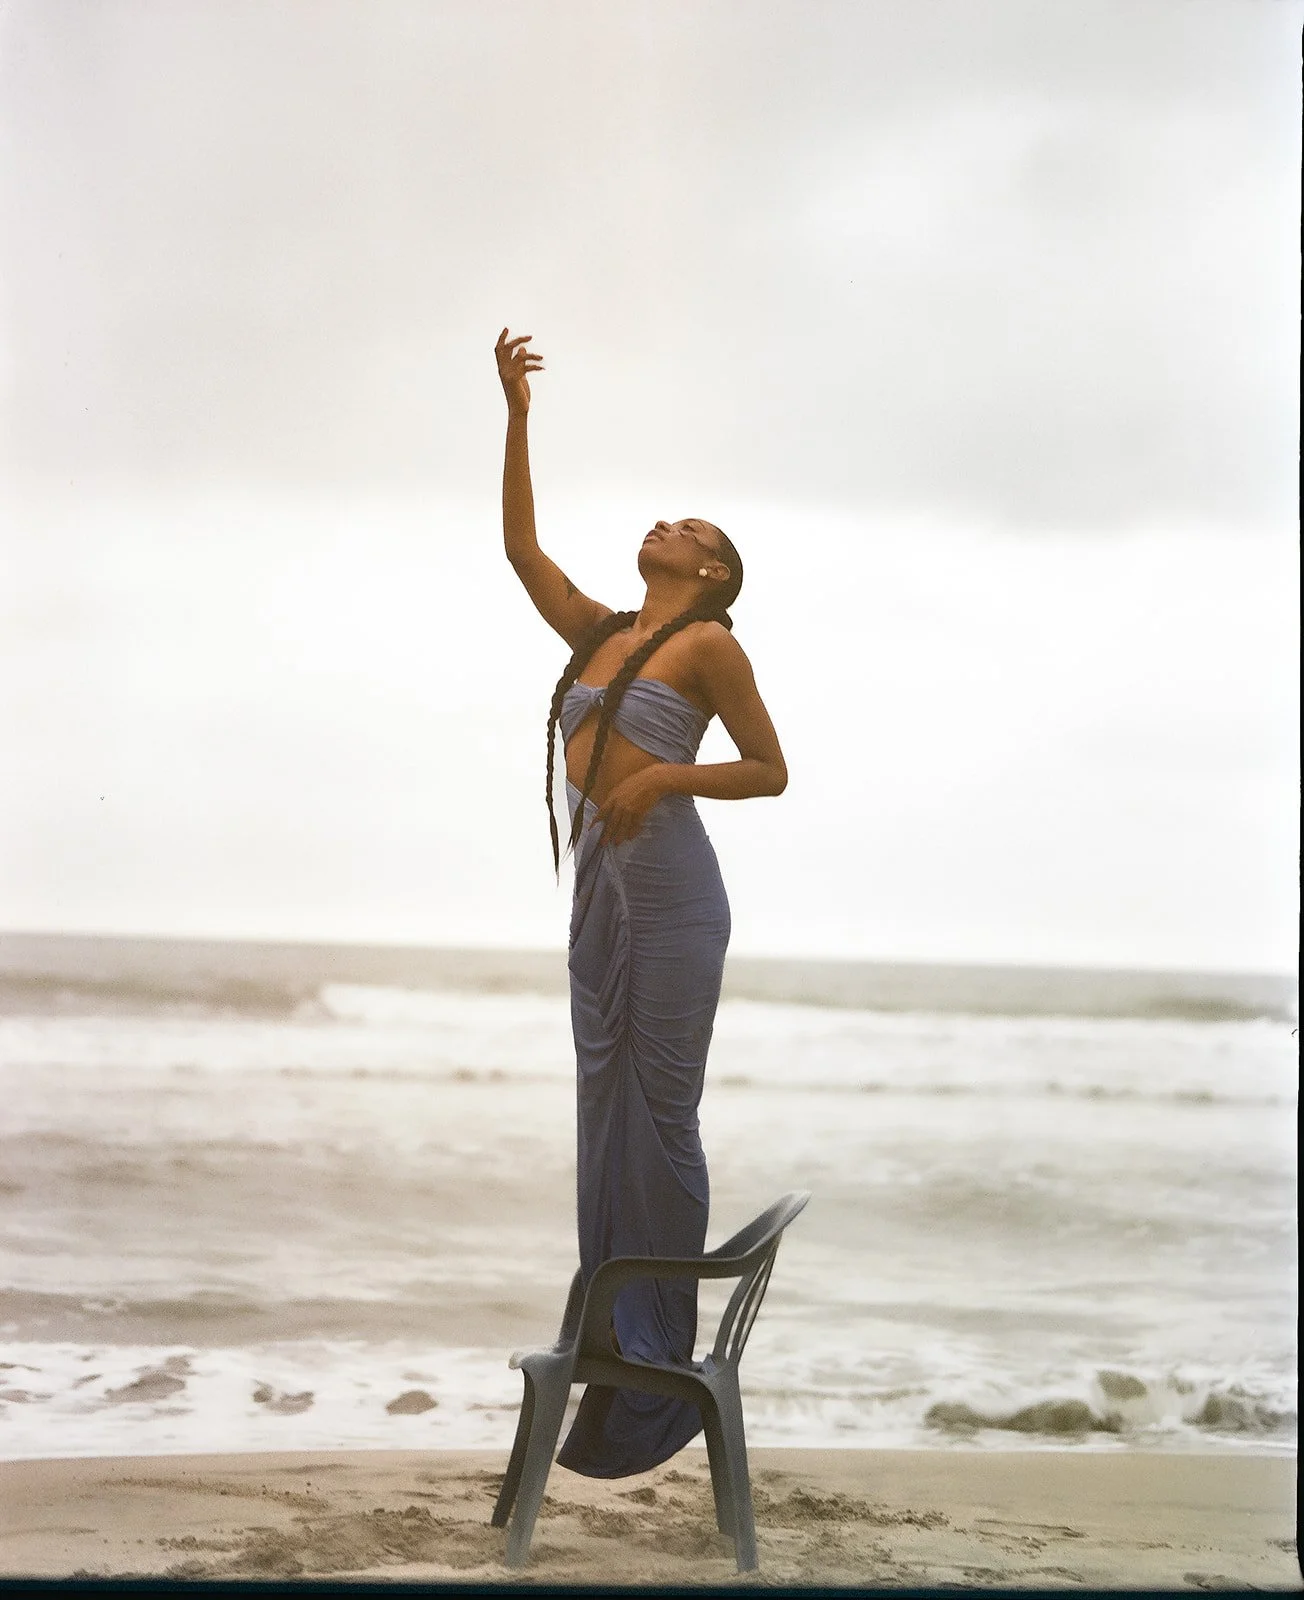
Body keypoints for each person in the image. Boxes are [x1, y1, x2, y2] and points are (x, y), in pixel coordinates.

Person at [494, 328, 788, 1478]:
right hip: (601, 891)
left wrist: (664, 771)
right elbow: (522, 551)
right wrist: (517, 416)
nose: (664, 526)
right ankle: (614, 1335)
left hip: (671, 889)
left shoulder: (708, 644)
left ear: (711, 572)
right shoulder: (606, 631)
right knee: (601, 1110)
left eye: (689, 529)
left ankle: (660, 1354)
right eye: (664, 521)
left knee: (659, 1109)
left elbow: (769, 770)